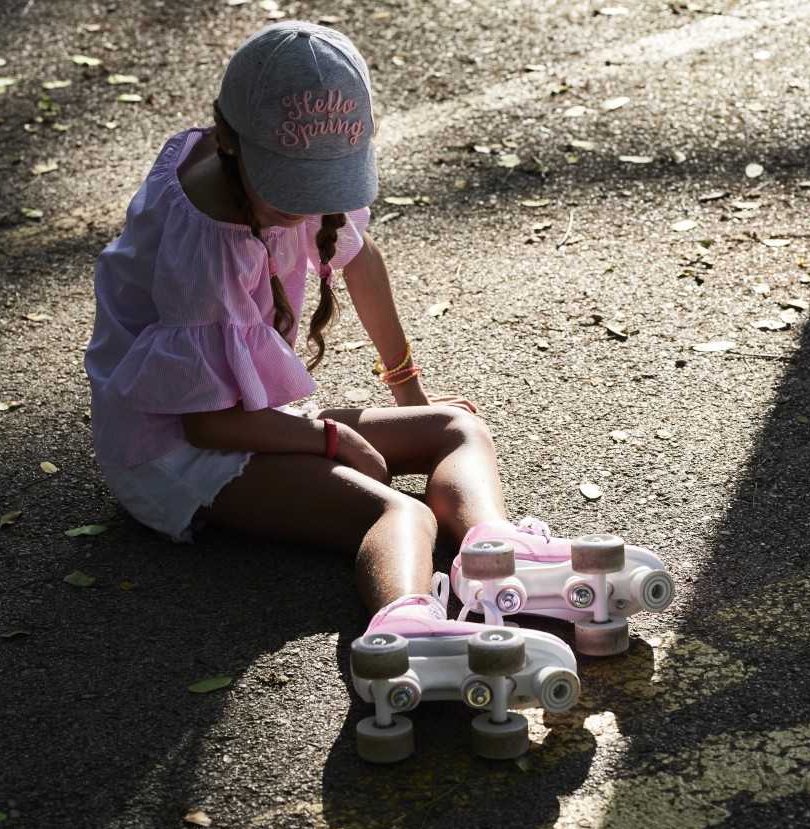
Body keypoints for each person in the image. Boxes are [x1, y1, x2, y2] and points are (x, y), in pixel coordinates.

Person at [85, 22, 668, 760]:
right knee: (402, 516)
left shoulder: (255, 173)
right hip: (176, 452)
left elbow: (360, 263)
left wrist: (406, 392)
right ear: (229, 140)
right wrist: (329, 438)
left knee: (455, 426)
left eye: (323, 187)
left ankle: (494, 555)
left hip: (249, 414)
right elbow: (206, 422)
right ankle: (405, 626)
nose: (310, 209)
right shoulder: (210, 240)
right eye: (295, 190)